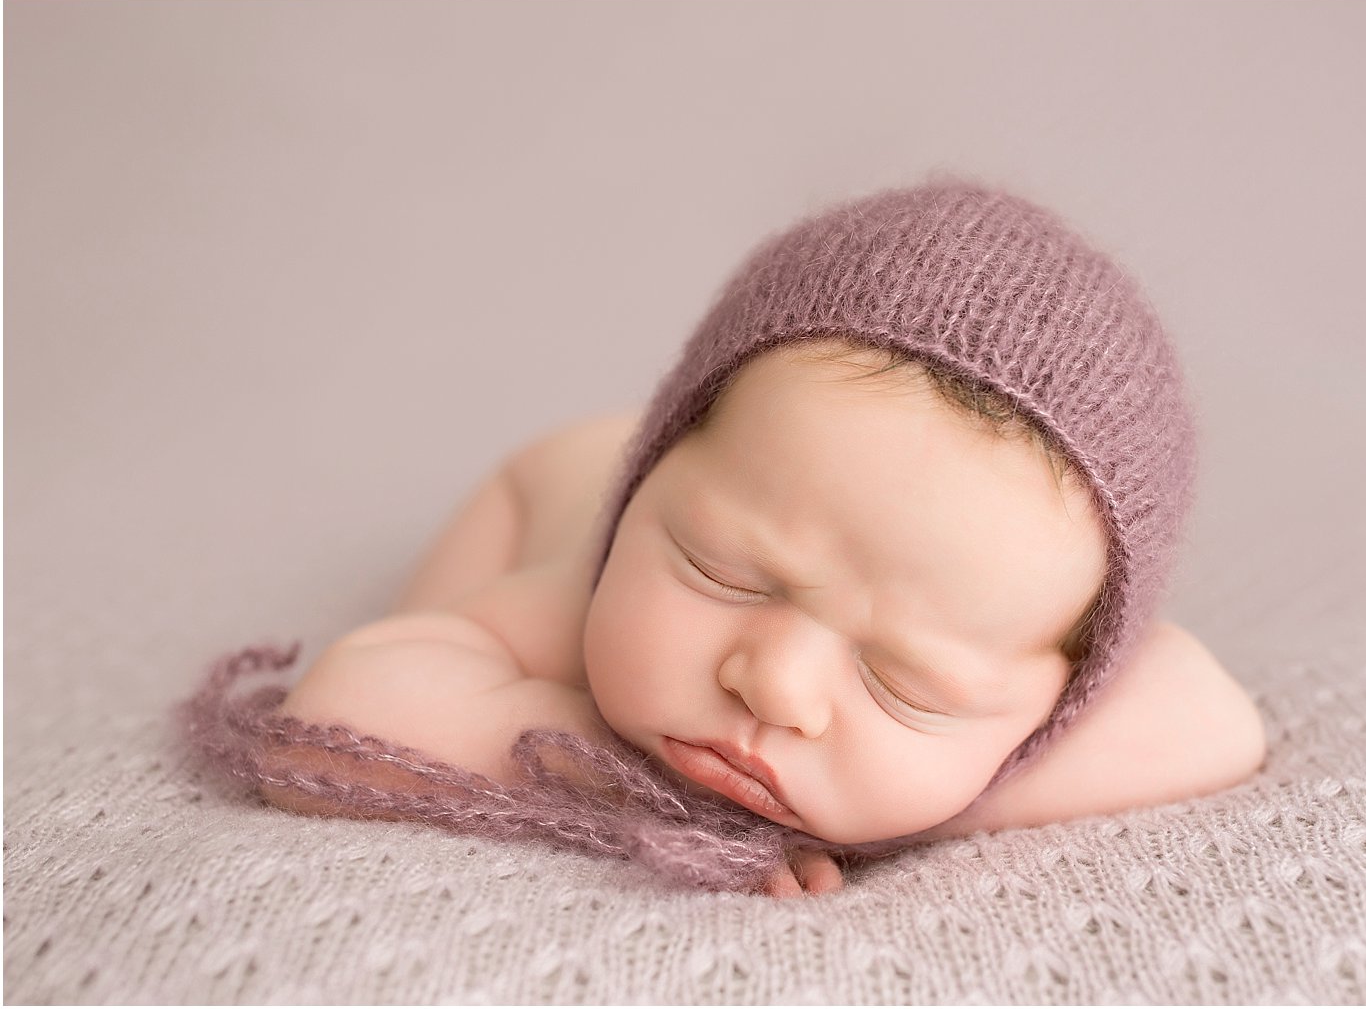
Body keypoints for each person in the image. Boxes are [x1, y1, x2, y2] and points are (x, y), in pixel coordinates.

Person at [252, 179, 1266, 897]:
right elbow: (342, 705)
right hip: (540, 484)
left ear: (1056, 704)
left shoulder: (1053, 672)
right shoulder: (575, 595)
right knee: (447, 603)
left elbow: (1215, 721)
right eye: (721, 572)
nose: (773, 685)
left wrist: (902, 801)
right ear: (648, 483)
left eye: (908, 683)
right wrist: (642, 789)